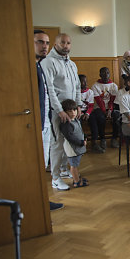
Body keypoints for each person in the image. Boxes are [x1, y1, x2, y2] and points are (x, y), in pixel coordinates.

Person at [42, 33, 81, 191]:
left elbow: (77, 86)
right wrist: (59, 110)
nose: (66, 46)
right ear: (55, 44)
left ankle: (64, 170)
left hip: (70, 111)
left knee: (68, 142)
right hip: (57, 112)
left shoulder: (71, 64)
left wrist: (78, 106)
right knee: (57, 144)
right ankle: (55, 178)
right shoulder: (48, 62)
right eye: (63, 43)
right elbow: (49, 89)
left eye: (68, 43)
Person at [33, 29, 64, 210]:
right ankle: (37, 204)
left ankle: (42, 201)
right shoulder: (29, 66)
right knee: (37, 165)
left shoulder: (40, 65)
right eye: (39, 42)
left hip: (45, 120)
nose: (44, 46)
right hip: (35, 123)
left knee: (43, 162)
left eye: (46, 42)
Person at [59, 99, 88, 188]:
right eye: (70, 111)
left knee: (75, 164)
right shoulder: (66, 124)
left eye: (74, 110)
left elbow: (79, 131)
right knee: (73, 165)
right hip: (73, 149)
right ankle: (76, 182)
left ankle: (77, 178)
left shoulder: (75, 120)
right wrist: (81, 142)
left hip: (78, 147)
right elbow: (70, 137)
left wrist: (84, 137)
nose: (73, 113)